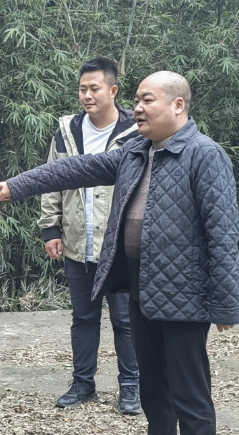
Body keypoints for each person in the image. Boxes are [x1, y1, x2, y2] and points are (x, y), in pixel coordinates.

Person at [0, 72, 239, 435]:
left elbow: (223, 233)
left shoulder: (204, 155)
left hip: (184, 297)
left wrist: (225, 303)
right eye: (136, 99)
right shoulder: (136, 152)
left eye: (147, 100)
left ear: (178, 106)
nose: (137, 108)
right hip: (140, 289)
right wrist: (17, 185)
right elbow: (74, 169)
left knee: (190, 394)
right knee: (153, 386)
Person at [38, 57, 141, 414]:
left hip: (120, 245)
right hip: (77, 241)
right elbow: (51, 178)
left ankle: (131, 385)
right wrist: (51, 228)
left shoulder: (135, 133)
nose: (87, 95)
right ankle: (83, 382)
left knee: (125, 319)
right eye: (82, 89)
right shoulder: (67, 131)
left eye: (94, 88)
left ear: (113, 90)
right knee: (83, 317)